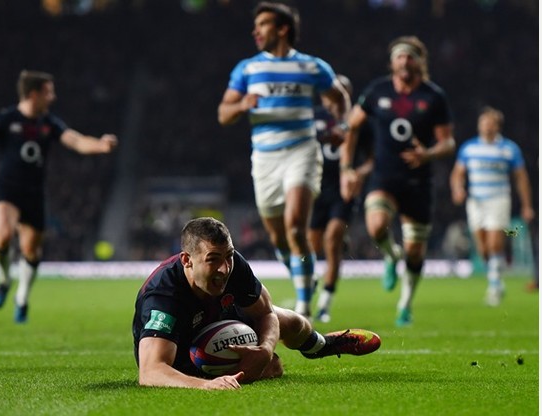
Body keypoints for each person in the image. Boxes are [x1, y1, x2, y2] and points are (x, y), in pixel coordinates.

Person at [0, 70, 118, 323]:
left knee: (30, 250)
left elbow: (75, 141)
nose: (53, 97)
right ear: (33, 94)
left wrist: (101, 145)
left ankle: (22, 297)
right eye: (49, 92)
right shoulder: (5, 119)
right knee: (3, 237)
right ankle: (4, 280)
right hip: (6, 191)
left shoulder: (49, 123)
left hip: (34, 195)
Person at [132, 217, 381, 390]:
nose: (224, 268)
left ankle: (323, 345)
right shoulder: (164, 295)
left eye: (228, 256)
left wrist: (264, 350)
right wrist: (207, 384)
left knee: (292, 322)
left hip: (216, 323)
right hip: (184, 355)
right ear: (187, 260)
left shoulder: (234, 266)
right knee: (272, 370)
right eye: (213, 259)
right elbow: (151, 371)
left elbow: (266, 313)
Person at [217, 2, 351, 318]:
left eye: (262, 24)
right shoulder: (248, 69)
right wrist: (241, 106)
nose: (255, 30)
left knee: (295, 225)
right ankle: (304, 275)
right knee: (278, 236)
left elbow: (339, 98)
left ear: (282, 29)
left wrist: (340, 127)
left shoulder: (312, 67)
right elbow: (223, 113)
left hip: (301, 152)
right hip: (265, 158)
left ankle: (303, 303)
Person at [339, 36, 456, 327]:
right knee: (376, 225)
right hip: (384, 177)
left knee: (416, 250)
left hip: (419, 182)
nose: (405, 61)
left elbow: (448, 143)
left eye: (410, 56)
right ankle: (392, 255)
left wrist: (427, 154)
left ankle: (405, 304)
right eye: (400, 56)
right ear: (392, 62)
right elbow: (351, 128)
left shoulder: (433, 97)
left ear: (420, 62)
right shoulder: (377, 91)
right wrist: (346, 168)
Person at [450, 106, 535, 306]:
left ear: (497, 126)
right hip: (476, 202)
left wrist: (527, 205)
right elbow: (457, 174)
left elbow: (521, 178)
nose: (487, 127)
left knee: (495, 243)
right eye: (484, 123)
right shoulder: (469, 148)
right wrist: (458, 189)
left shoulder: (509, 149)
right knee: (483, 249)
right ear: (479, 125)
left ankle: (495, 286)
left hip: (498, 199)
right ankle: (495, 278)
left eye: (491, 123)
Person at [308, 75, 373, 323]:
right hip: (316, 189)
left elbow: (371, 159)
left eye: (343, 92)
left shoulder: (359, 122)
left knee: (332, 239)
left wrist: (358, 173)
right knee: (312, 246)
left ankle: (325, 302)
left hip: (344, 190)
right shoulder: (313, 118)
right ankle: (309, 288)